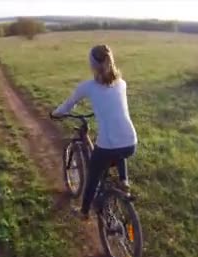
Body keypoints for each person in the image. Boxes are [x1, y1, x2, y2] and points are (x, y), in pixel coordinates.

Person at [52, 44, 137, 220]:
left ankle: (84, 213)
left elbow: (68, 105)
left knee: (93, 173)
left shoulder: (88, 87)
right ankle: (123, 181)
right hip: (131, 142)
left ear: (92, 65)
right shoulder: (122, 84)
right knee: (118, 145)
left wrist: (56, 113)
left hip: (109, 145)